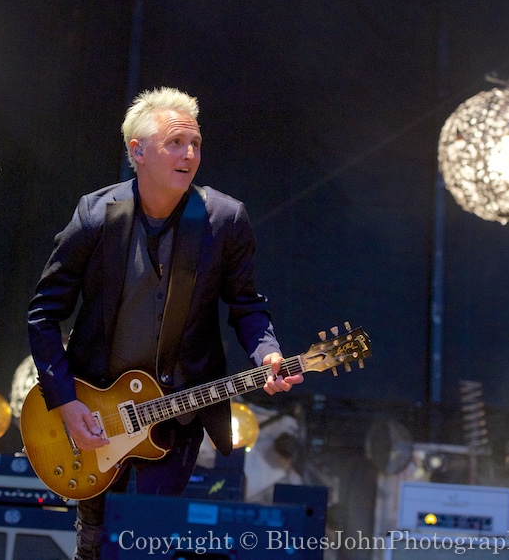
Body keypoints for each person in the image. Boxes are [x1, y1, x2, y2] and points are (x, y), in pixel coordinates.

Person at [26, 87, 303, 560]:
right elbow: (43, 314)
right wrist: (66, 402)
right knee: (92, 547)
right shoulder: (95, 215)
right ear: (137, 152)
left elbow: (247, 306)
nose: (189, 154)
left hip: (177, 415)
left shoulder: (223, 218)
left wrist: (268, 353)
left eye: (195, 144)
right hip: (94, 411)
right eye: (175, 143)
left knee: (146, 548)